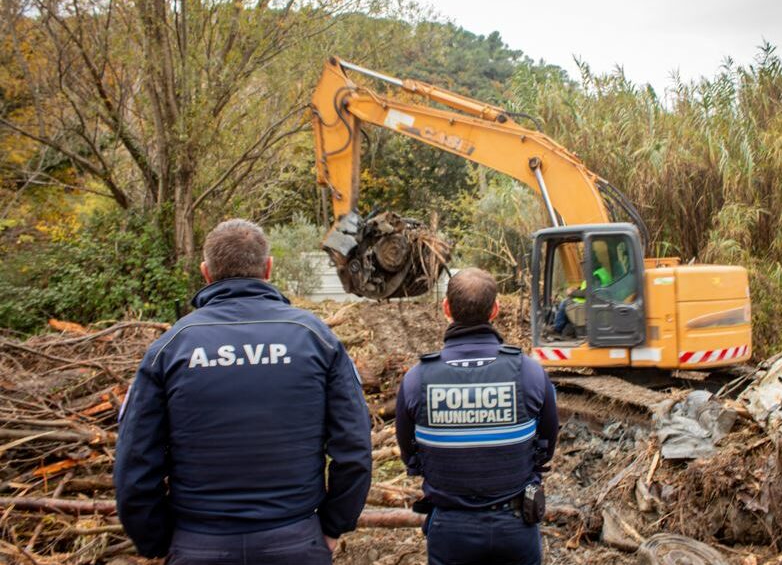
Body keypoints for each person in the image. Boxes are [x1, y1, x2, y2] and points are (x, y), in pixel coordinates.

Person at [114, 219, 372, 564]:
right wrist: (332, 527)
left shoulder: (170, 348)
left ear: (206, 273)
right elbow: (354, 449)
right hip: (295, 541)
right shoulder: (315, 338)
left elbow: (134, 462)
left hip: (198, 544)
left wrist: (157, 542)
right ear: (268, 268)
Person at [395, 268, 559, 565]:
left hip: (450, 528)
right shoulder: (530, 372)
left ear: (446, 309)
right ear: (495, 310)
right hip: (515, 524)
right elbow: (546, 446)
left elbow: (410, 455)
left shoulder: (417, 379)